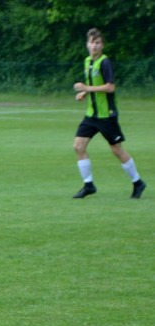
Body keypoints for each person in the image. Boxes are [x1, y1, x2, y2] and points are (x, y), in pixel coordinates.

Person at [72, 28, 145, 199]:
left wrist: (87, 88)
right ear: (87, 44)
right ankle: (88, 185)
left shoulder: (105, 63)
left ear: (102, 45)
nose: (94, 46)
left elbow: (110, 87)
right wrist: (85, 93)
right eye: (92, 42)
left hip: (107, 115)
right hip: (92, 115)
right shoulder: (87, 61)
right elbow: (94, 84)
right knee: (78, 146)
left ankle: (137, 182)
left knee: (117, 150)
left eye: (98, 43)